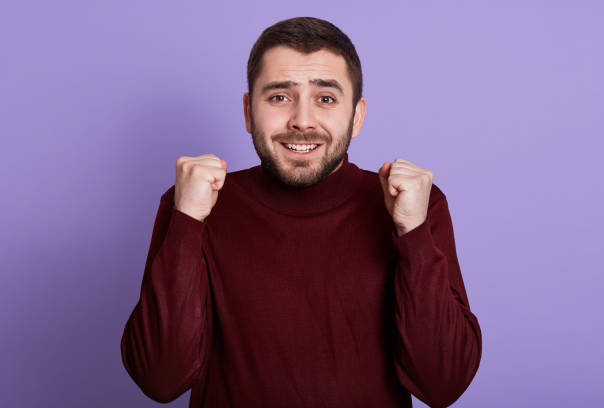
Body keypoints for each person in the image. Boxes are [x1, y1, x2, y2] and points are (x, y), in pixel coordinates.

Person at [120, 16, 482, 408]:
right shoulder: (194, 203)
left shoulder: (415, 206)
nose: (302, 120)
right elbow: (160, 379)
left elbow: (442, 384)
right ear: (247, 111)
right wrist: (187, 221)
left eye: (325, 98)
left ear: (357, 116)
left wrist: (412, 233)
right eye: (279, 97)